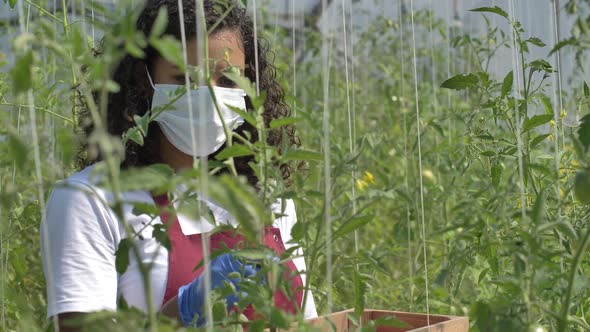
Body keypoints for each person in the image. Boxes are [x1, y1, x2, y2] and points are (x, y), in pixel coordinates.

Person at [40, 0, 317, 329]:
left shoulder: (268, 197)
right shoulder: (93, 199)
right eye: (186, 78)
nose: (210, 96)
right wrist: (184, 311)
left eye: (229, 81)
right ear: (145, 81)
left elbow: (309, 323)